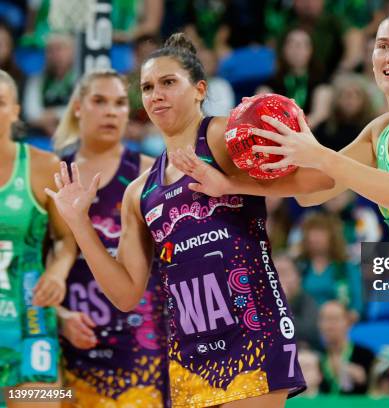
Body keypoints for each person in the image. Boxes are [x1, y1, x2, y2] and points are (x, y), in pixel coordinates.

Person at [171, 11, 389, 408]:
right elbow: (311, 191)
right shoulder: (378, 132)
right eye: (383, 46)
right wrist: (231, 183)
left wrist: (320, 153)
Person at [45, 33, 337, 407]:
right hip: (189, 355)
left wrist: (228, 183)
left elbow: (320, 179)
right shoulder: (138, 191)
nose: (156, 95)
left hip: (251, 334)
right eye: (147, 87)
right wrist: (79, 224)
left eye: (168, 82)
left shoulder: (223, 136)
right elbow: (125, 293)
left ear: (200, 89)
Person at [51, 69, 167, 407]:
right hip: (71, 349)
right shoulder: (50, 174)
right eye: (99, 101)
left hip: (142, 350)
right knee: (26, 395)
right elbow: (34, 264)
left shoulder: (150, 172)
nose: (111, 111)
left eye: (119, 104)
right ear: (77, 107)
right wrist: (59, 317)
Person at [0, 69, 76, 407]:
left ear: (16, 110)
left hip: (29, 324)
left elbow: (65, 240)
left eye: (0, 103)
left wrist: (57, 273)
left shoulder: (44, 165)